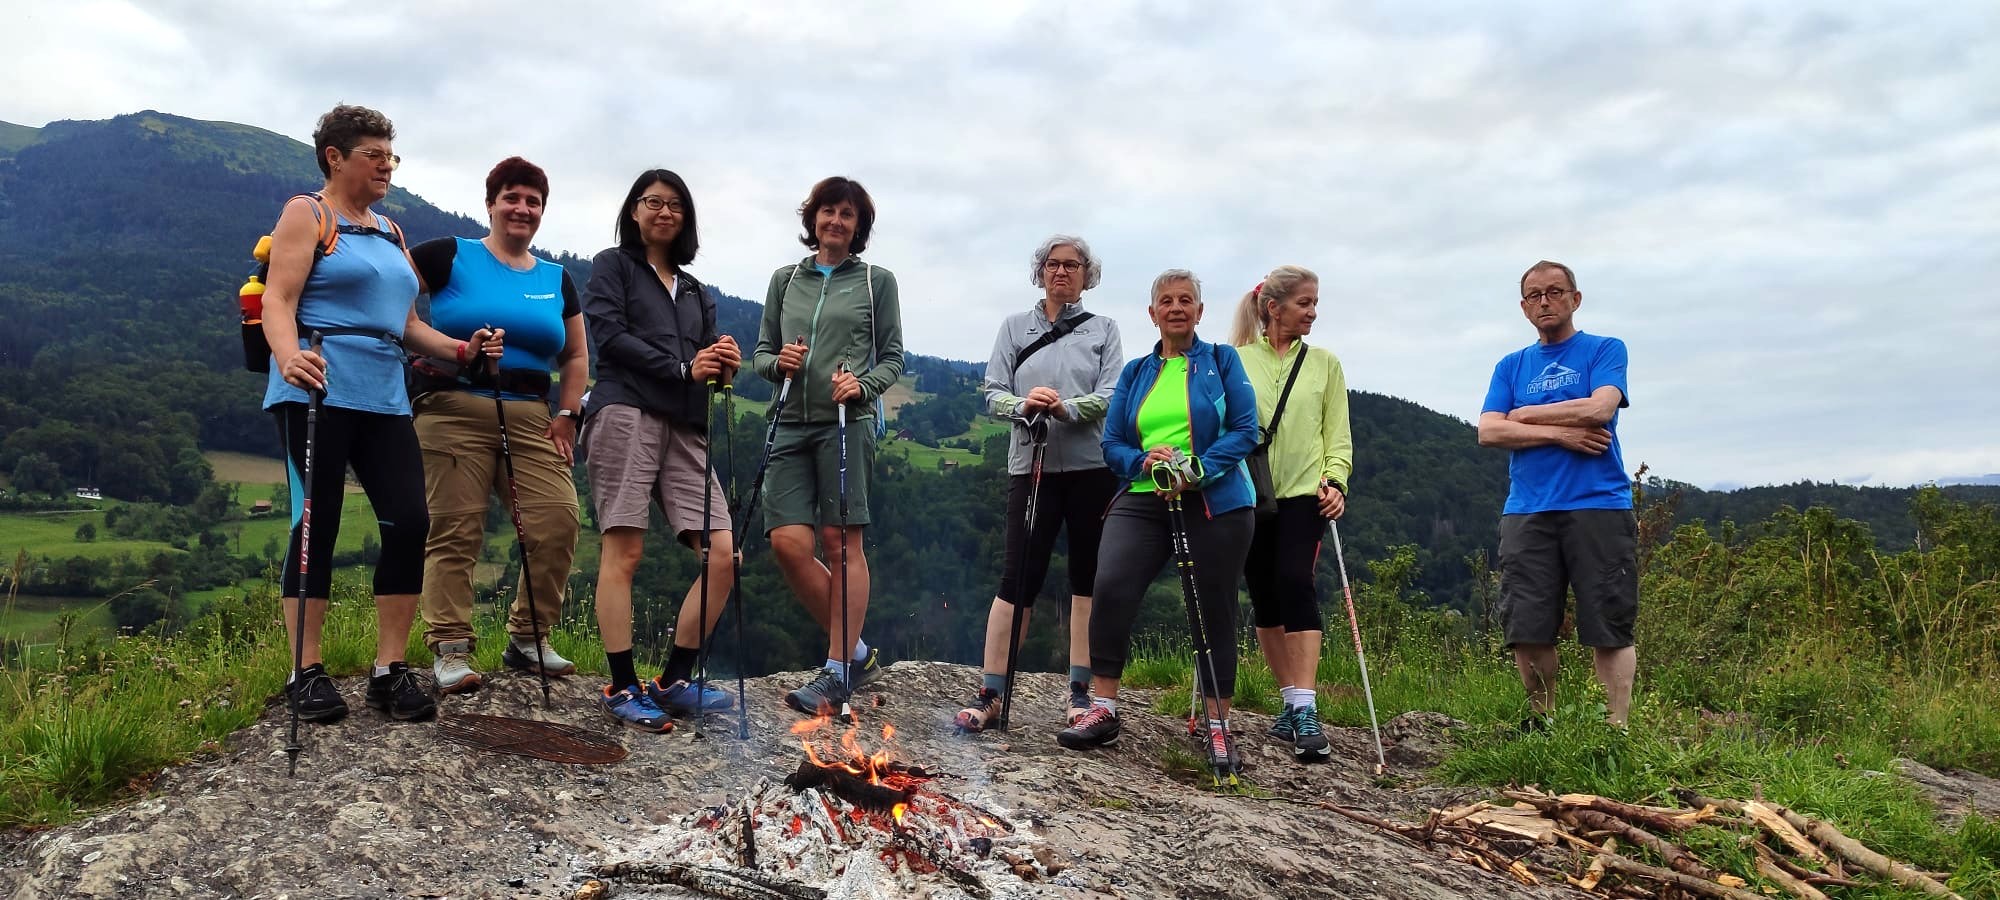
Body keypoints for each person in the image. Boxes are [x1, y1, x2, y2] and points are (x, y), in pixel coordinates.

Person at [261, 104, 492, 724]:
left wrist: (462, 351)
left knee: (410, 521)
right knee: (318, 522)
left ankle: (389, 669)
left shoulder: (389, 233)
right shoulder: (307, 213)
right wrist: (288, 357)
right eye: (374, 154)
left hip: (385, 392)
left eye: (391, 154)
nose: (386, 164)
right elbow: (278, 300)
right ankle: (304, 670)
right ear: (335, 157)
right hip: (317, 384)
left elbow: (411, 325)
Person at [1057, 269, 1259, 774]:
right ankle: (1102, 708)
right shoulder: (1136, 372)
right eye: (1166, 301)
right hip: (1145, 495)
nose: (1176, 308)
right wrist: (1144, 460)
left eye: (1185, 300)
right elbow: (1113, 444)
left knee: (1214, 607)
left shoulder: (1222, 361)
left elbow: (1245, 429)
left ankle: (1218, 728)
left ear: (1199, 311)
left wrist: (1200, 467)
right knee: (1112, 585)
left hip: (1215, 499)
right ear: (1152, 313)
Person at [408, 157, 585, 695]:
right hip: (453, 405)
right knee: (456, 528)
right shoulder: (447, 255)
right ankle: (450, 647)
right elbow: (396, 308)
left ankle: (528, 638)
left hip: (532, 414)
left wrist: (568, 413)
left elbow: (575, 356)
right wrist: (455, 349)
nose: (522, 209)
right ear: (490, 203)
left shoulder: (557, 279)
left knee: (557, 521)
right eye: (512, 197)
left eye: (533, 201)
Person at [580, 169, 741, 731]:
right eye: (653, 202)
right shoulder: (613, 265)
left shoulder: (697, 291)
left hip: (685, 423)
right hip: (625, 409)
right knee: (624, 551)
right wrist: (681, 367)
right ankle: (622, 685)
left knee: (723, 553)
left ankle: (673, 681)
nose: (664, 212)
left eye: (675, 205)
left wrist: (722, 366)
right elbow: (608, 336)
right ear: (633, 211)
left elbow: (705, 366)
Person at [954, 235, 1123, 732]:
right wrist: (1024, 406)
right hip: (1030, 468)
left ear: (1086, 275)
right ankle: (990, 692)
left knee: (1085, 580)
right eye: (1053, 264)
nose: (1062, 272)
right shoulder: (1013, 327)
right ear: (1040, 271)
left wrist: (1067, 408)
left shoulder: (1104, 330)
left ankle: (1079, 694)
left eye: (1072, 265)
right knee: (1017, 579)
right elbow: (993, 392)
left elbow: (1112, 393)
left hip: (1091, 469)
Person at [751, 176, 905, 716]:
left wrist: (863, 385)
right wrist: (778, 364)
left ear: (859, 226)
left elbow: (893, 358)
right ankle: (857, 652)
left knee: (841, 543)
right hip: (789, 420)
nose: (835, 221)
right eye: (827, 212)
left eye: (847, 214)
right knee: (788, 544)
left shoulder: (875, 282)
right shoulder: (784, 279)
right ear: (811, 219)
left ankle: (838, 670)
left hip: (848, 422)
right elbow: (762, 353)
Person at [1476, 260, 1636, 727]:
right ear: (1524, 306)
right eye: (1533, 295)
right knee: (1527, 626)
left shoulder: (1605, 349)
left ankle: (1614, 731)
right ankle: (1541, 725)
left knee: (1608, 624)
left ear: (1575, 298)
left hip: (1599, 505)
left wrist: (1523, 416)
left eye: (1554, 292)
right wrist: (1562, 435)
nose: (1544, 301)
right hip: (1527, 509)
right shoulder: (1511, 365)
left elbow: (1601, 407)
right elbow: (1488, 430)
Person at [1228, 266, 1352, 762]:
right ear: (1273, 308)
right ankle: (1288, 705)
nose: (1313, 312)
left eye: (1315, 302)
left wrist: (1337, 480)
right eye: (1305, 303)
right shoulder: (1234, 362)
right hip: (1246, 493)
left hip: (1305, 494)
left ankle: (1305, 706)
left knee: (1294, 580)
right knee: (1263, 595)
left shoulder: (1325, 363)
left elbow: (1336, 432)